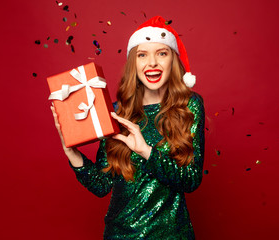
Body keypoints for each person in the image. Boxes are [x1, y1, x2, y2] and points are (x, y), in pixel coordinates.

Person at [51, 16, 205, 239]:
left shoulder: (189, 105)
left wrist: (145, 150)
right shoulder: (116, 112)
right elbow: (102, 185)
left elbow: (190, 180)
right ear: (134, 62)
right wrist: (71, 151)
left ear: (173, 60)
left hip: (172, 234)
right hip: (119, 234)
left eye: (162, 53)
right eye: (142, 55)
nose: (152, 63)